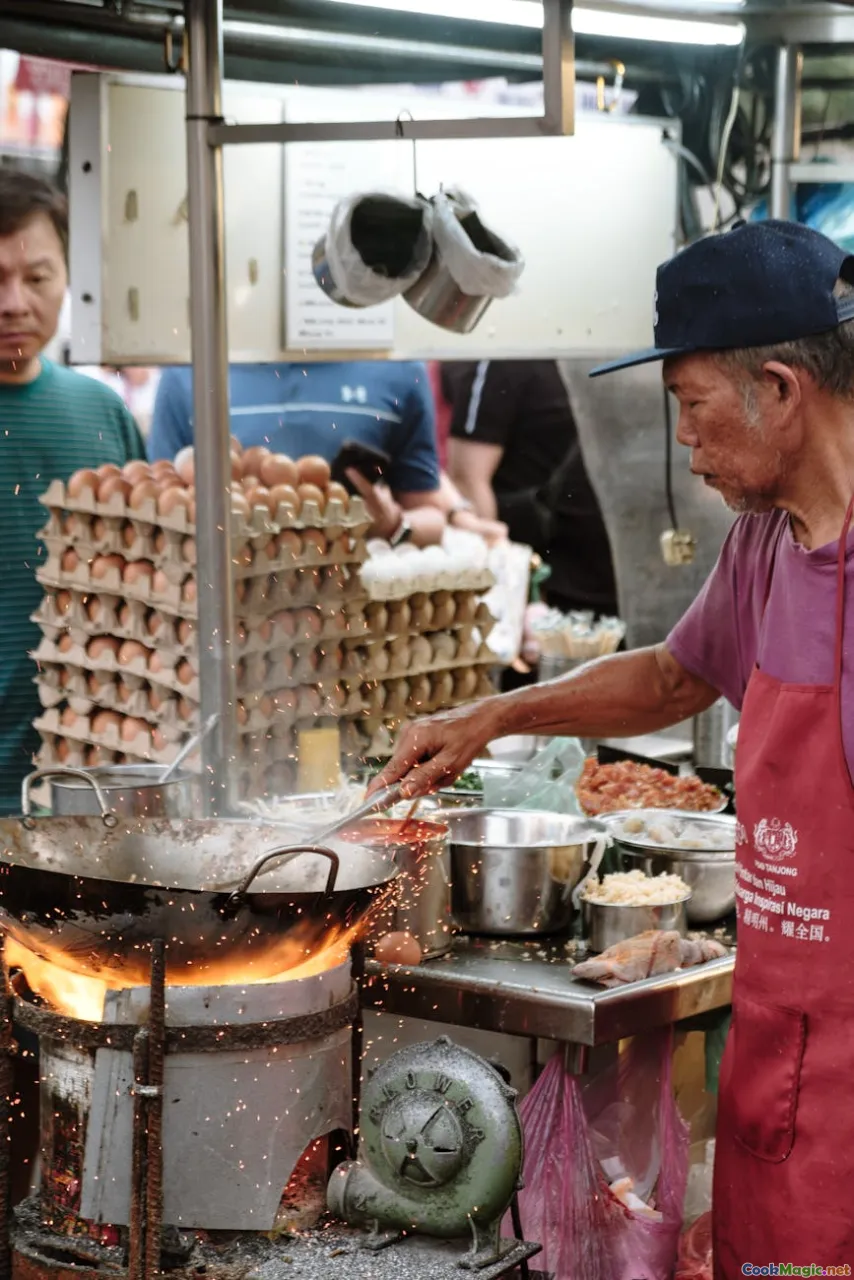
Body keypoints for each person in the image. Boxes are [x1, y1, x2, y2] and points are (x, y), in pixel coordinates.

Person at [373, 219, 854, 1273]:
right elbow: (676, 675)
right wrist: (490, 715)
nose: (682, 441)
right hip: (775, 1050)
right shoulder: (768, 541)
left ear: (777, 388)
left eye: (688, 406)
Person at [0, 171, 145, 814]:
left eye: (36, 277)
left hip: (83, 799)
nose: (13, 303)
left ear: (68, 277)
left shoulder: (101, 413)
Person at [149, 360, 446, 546]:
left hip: (351, 606)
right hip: (231, 603)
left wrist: (394, 525)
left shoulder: (396, 369)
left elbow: (433, 515)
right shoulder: (190, 370)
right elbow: (159, 513)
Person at [443, 359, 618, 616]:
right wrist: (505, 595)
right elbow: (467, 479)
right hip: (543, 587)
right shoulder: (505, 356)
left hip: (620, 580)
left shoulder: (616, 346)